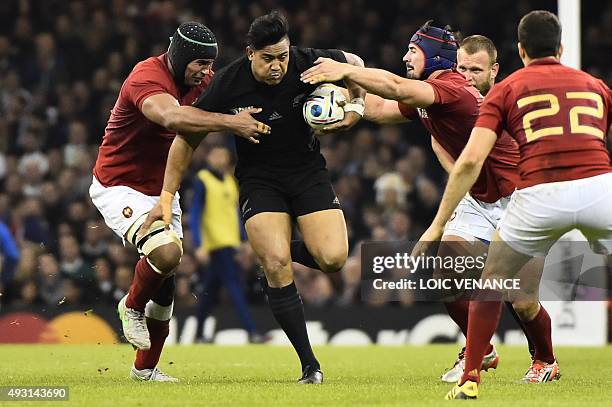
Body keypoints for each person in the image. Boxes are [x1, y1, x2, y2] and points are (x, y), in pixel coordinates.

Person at [301, 22, 552, 383]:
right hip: (479, 198)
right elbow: (386, 105)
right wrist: (347, 101)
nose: (405, 56)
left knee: (523, 300)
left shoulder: (450, 88)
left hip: (521, 198)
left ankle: (545, 359)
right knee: (446, 275)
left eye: (413, 51)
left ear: (433, 56)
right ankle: (481, 348)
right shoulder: (429, 96)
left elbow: (397, 87)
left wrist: (347, 69)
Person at [141, 10, 366, 384]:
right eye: (268, 59)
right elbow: (185, 137)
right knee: (278, 264)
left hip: (308, 173)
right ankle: (310, 366)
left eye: (282, 56)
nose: (278, 66)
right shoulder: (228, 83)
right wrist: (166, 197)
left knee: (333, 259)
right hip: (260, 179)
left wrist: (355, 106)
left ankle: (269, 249)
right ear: (250, 54)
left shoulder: (309, 62)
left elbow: (356, 64)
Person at [413, 10, 611, 399]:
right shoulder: (594, 85)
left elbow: (470, 160)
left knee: (507, 292)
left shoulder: (507, 91)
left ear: (518, 52)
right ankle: (483, 354)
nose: (467, 76)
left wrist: (435, 224)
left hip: (533, 195)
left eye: (475, 69)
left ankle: (497, 371)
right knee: (457, 271)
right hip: (595, 187)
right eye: (462, 68)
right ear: (562, 47)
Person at [89, 22, 270, 382]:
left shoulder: (201, 83)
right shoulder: (146, 76)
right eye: (201, 63)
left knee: (167, 281)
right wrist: (233, 123)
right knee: (167, 255)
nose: (207, 71)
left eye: (211, 64)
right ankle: (131, 306)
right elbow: (172, 116)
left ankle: (145, 371)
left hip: (162, 191)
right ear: (182, 56)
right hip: (119, 185)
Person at [189, 145, 264, 343]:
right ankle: (252, 332)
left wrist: (244, 239)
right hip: (216, 244)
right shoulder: (203, 180)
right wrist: (199, 244)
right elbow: (196, 213)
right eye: (216, 154)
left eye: (223, 155)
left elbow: (235, 214)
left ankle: (198, 335)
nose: (220, 158)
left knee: (210, 290)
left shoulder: (230, 181)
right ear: (209, 157)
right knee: (234, 286)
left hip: (230, 243)